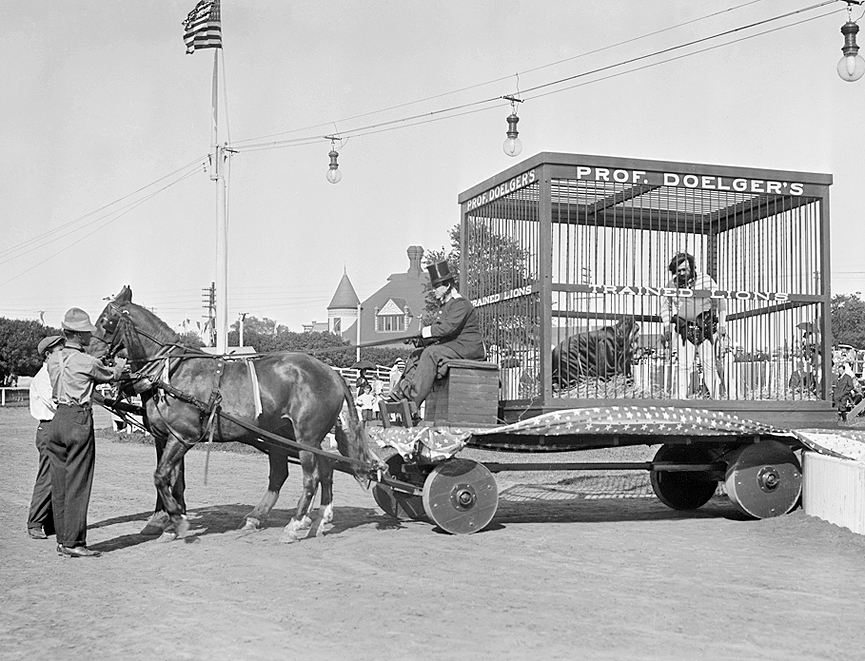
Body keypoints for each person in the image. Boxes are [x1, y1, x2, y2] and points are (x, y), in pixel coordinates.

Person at [46, 307, 120, 558]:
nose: (91, 336)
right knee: (78, 482)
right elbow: (111, 376)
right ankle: (74, 542)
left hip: (57, 419)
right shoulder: (87, 361)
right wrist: (119, 367)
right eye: (87, 333)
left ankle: (62, 539)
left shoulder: (53, 360)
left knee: (60, 484)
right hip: (78, 420)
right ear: (78, 336)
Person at [387, 261, 485, 417]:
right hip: (453, 346)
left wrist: (423, 332)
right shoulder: (445, 305)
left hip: (467, 348)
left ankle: (413, 402)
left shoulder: (460, 303)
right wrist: (418, 340)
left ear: (447, 286)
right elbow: (438, 332)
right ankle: (401, 393)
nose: (433, 291)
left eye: (436, 287)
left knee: (430, 353)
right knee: (416, 355)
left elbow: (447, 329)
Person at [659, 252, 727, 399]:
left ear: (692, 267)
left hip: (706, 327)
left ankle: (716, 399)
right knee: (683, 366)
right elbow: (665, 306)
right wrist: (666, 327)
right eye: (679, 271)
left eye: (685, 269)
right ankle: (680, 400)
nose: (682, 273)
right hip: (684, 328)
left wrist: (722, 324)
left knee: (709, 365)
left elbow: (721, 301)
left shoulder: (706, 280)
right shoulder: (672, 284)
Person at [26, 335, 66, 540]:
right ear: (48, 354)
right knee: (47, 477)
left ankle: (51, 523)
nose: (64, 355)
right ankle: (35, 522)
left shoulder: (57, 374)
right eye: (60, 351)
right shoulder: (43, 377)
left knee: (60, 478)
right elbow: (56, 403)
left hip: (58, 428)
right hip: (48, 428)